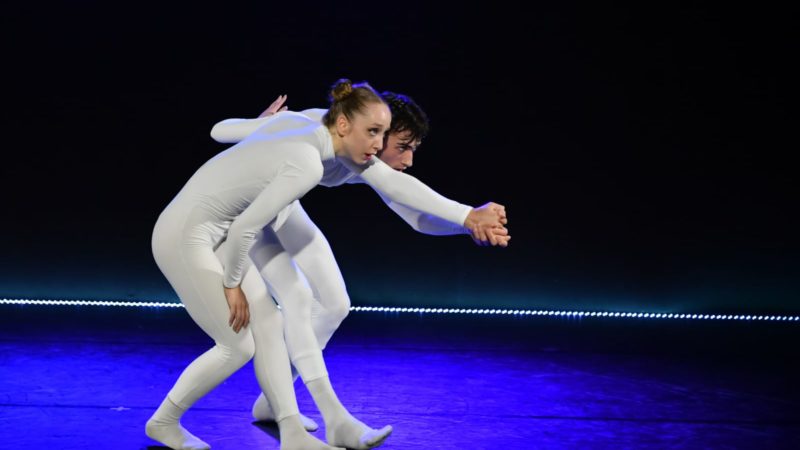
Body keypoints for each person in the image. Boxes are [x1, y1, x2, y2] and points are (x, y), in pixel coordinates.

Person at [146, 79, 507, 450]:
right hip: (217, 224)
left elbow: (414, 212)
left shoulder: (351, 151)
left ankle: (286, 421)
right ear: (347, 124)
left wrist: (467, 226)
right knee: (266, 323)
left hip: (250, 214)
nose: (387, 149)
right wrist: (468, 214)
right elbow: (239, 198)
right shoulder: (317, 148)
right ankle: (170, 421)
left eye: (384, 136)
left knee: (314, 307)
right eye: (382, 136)